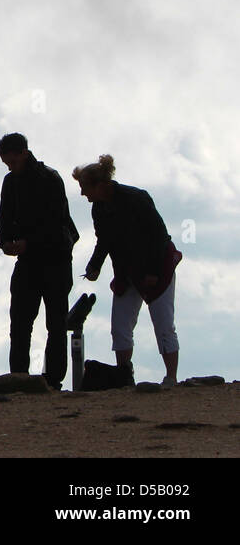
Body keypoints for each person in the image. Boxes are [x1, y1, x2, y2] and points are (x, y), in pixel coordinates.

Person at [73, 154, 182, 385]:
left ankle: (171, 377)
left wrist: (152, 271)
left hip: (157, 268)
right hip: (127, 271)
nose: (83, 193)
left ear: (99, 185)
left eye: (84, 187)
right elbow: (104, 240)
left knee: (163, 323)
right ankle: (124, 376)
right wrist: (94, 266)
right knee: (120, 325)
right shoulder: (99, 209)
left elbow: (157, 236)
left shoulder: (136, 199)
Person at [0, 133, 79, 389]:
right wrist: (6, 242)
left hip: (55, 259)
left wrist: (27, 243)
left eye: (11, 160)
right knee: (20, 321)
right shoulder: (10, 182)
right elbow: (4, 219)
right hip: (28, 261)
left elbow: (57, 223)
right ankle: (19, 377)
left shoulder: (50, 179)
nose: (9, 166)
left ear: (23, 153)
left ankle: (53, 379)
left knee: (55, 322)